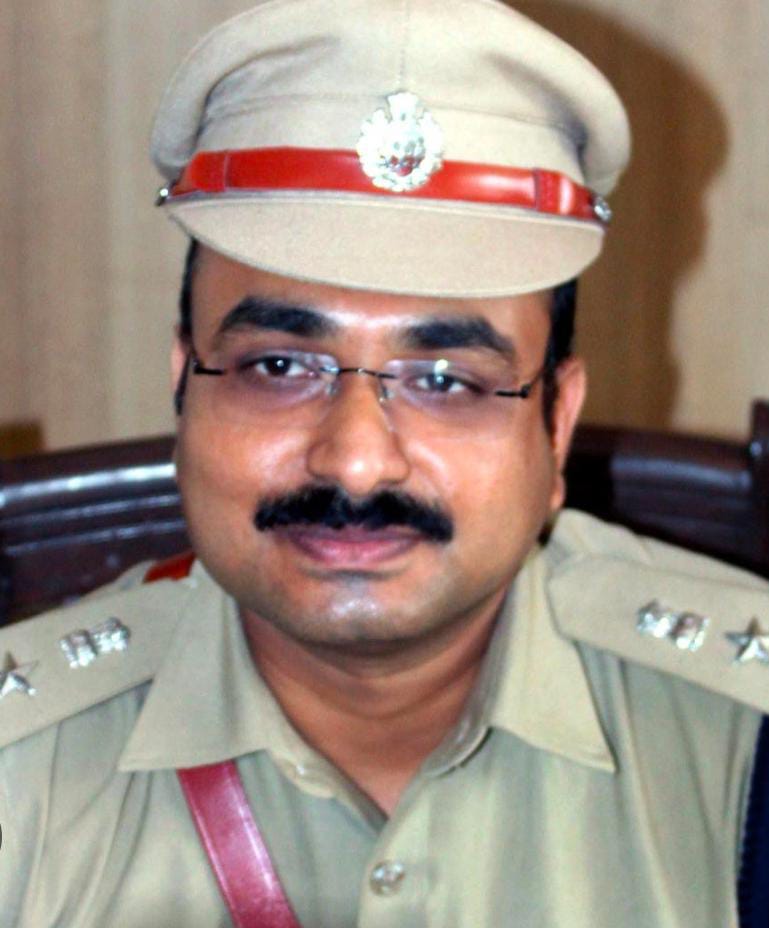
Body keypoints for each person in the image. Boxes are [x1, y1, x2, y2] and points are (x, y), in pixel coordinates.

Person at [1, 1, 767, 925]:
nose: (357, 464)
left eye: (444, 380)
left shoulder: (744, 743)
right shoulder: (21, 768)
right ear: (183, 388)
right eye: (278, 367)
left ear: (556, 426)